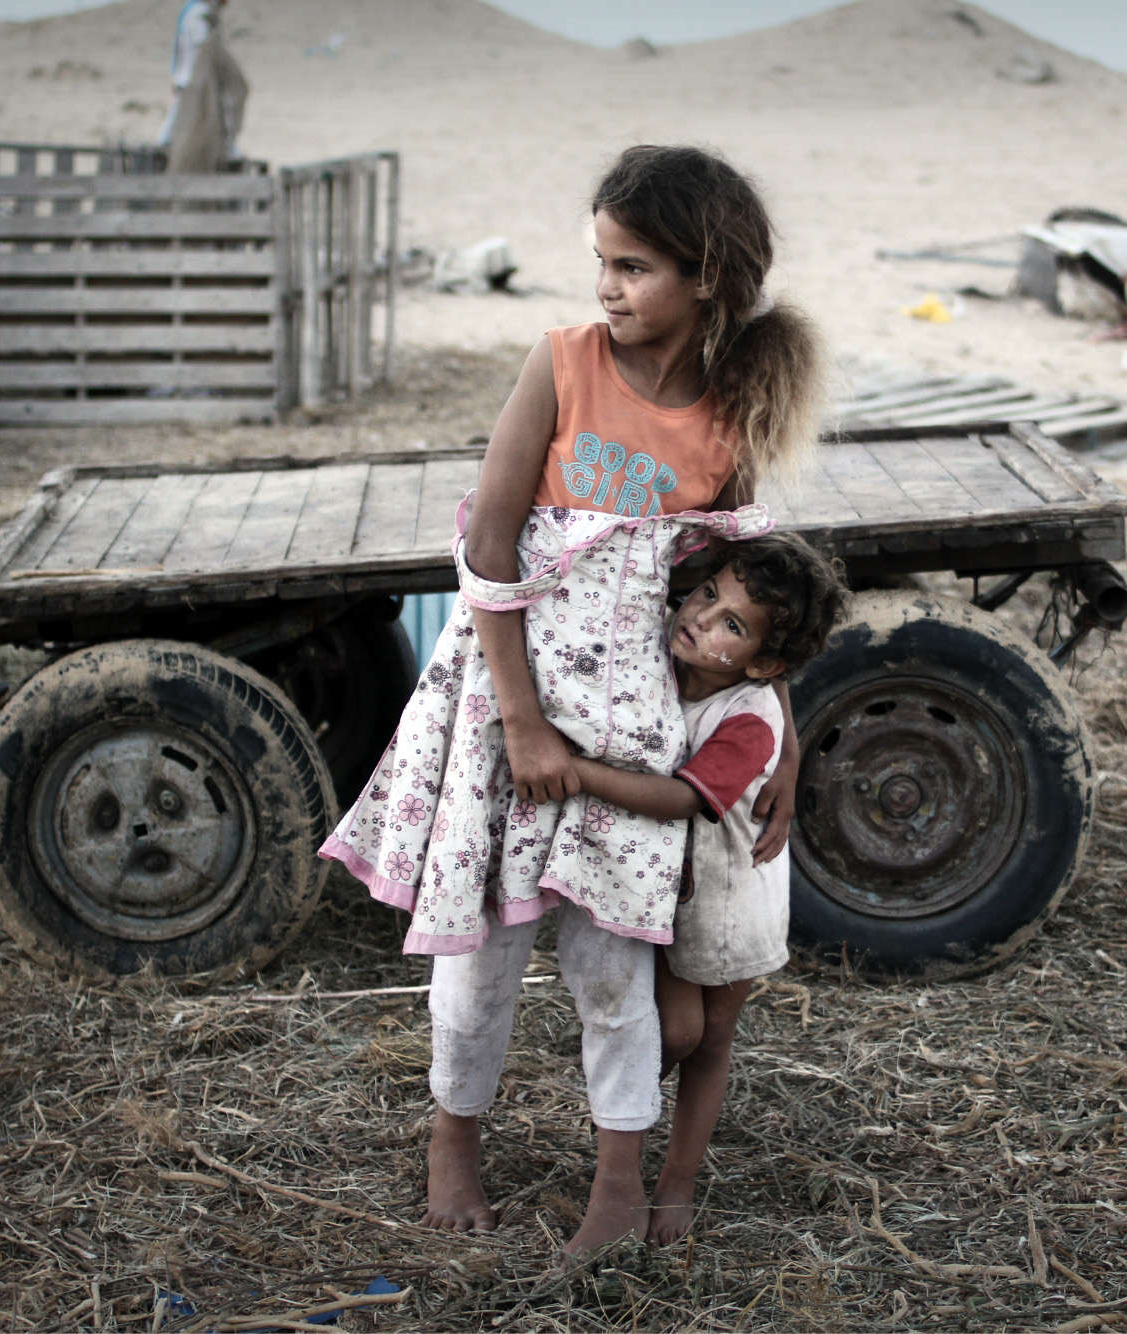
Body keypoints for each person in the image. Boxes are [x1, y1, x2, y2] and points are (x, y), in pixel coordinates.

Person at [320, 144, 824, 1255]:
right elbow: (490, 551)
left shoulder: (730, 418)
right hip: (507, 709)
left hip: (633, 735)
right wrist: (520, 722)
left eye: (634, 266)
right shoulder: (560, 364)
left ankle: (615, 1178)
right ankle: (454, 1137)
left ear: (707, 278)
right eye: (599, 259)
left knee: (613, 963)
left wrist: (779, 740)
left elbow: (757, 594)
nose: (606, 287)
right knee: (479, 960)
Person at [564, 535, 846, 1246]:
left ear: (763, 664)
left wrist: (575, 774)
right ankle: (621, 1116)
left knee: (712, 1039)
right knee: (675, 1029)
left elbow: (678, 801)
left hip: (728, 901)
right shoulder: (659, 655)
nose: (701, 615)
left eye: (732, 623)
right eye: (708, 592)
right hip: (663, 895)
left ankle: (677, 1182)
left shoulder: (749, 719)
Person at [158, 0, 226, 148]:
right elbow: (202, 44)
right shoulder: (199, 12)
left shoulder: (194, 10)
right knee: (178, 122)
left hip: (189, 77)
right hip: (192, 79)